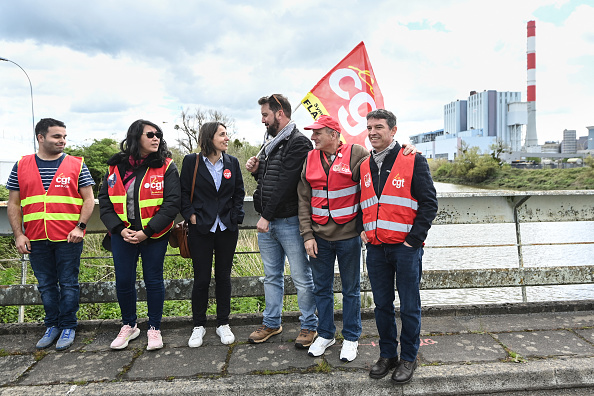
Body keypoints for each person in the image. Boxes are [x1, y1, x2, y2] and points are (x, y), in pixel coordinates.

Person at [297, 115, 417, 363]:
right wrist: (307, 235)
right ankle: (326, 334)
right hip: (318, 237)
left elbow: (383, 159)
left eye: (318, 132)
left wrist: (406, 148)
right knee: (322, 289)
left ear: (333, 134)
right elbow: (303, 200)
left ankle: (351, 338)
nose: (313, 137)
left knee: (351, 291)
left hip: (350, 237)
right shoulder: (309, 158)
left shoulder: (356, 153)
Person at [361, 109, 438, 384]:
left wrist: (412, 241)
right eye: (369, 127)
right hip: (376, 248)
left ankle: (408, 358)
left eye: (379, 127)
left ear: (393, 131)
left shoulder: (413, 159)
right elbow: (364, 201)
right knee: (381, 305)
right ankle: (387, 355)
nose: (372, 132)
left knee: (409, 306)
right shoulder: (364, 164)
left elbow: (429, 204)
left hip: (405, 249)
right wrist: (363, 229)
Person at [6, 118, 95, 351]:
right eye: (57, 136)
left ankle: (68, 325)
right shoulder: (21, 165)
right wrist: (18, 235)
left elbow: (88, 200)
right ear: (40, 137)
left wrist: (81, 227)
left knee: (68, 283)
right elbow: (13, 204)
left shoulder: (77, 164)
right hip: (35, 237)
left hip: (68, 237)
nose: (62, 141)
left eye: (64, 136)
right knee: (45, 285)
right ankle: (52, 325)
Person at [99, 119, 180, 351]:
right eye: (150, 134)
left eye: (159, 135)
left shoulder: (166, 166)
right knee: (124, 280)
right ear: (136, 137)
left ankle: (154, 327)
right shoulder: (115, 167)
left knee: (153, 281)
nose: (156, 138)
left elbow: (172, 203)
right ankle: (129, 325)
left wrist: (147, 232)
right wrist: (118, 229)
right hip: (122, 234)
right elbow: (104, 202)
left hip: (153, 235)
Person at [245, 94, 318, 348]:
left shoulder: (299, 143)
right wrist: (257, 171)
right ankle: (272, 322)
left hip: (288, 221)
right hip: (269, 223)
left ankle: (309, 325)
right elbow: (268, 182)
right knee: (271, 276)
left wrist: (265, 216)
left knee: (301, 276)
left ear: (280, 113)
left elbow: (287, 185)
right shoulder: (270, 142)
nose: (263, 120)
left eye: (265, 114)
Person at [180, 122, 245, 347]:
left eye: (227, 134)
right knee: (202, 279)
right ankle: (199, 325)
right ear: (209, 137)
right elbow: (183, 192)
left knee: (223, 278)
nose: (227, 138)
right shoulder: (192, 162)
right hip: (201, 229)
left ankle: (222, 323)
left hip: (227, 228)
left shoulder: (232, 162)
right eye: (222, 134)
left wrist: (235, 216)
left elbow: (239, 193)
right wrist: (191, 216)